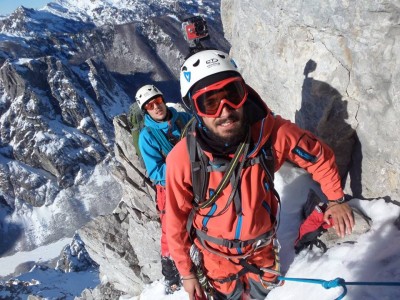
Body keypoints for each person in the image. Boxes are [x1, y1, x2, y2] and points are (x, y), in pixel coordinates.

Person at [165, 50, 355, 300]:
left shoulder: (272, 135)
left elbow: (318, 155)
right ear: (195, 109)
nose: (225, 110)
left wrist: (335, 199)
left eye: (232, 95)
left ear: (244, 93)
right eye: (210, 102)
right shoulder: (184, 159)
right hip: (216, 263)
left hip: (262, 255)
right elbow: (176, 220)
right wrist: (187, 273)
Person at [135, 84, 192, 294]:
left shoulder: (184, 120)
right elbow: (157, 172)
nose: (156, 107)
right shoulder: (147, 136)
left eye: (157, 101)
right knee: (171, 229)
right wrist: (182, 165)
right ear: (146, 110)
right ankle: (171, 275)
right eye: (150, 105)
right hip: (169, 188)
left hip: (197, 177)